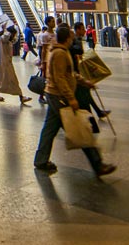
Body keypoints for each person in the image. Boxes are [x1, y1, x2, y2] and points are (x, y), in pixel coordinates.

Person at [33, 24, 117, 177]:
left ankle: (40, 160)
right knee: (81, 130)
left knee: (49, 130)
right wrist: (71, 98)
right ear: (67, 38)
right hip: (59, 97)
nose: (73, 40)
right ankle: (98, 164)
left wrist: (84, 82)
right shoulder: (59, 53)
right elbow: (60, 78)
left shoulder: (60, 51)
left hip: (54, 95)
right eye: (71, 37)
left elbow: (68, 74)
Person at [0, 26, 32, 106]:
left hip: (6, 63)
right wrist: (5, 30)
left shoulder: (6, 41)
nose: (14, 36)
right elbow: (5, 36)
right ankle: (21, 97)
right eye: (13, 34)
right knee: (13, 81)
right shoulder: (4, 40)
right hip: (7, 64)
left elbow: (13, 40)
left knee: (1, 79)